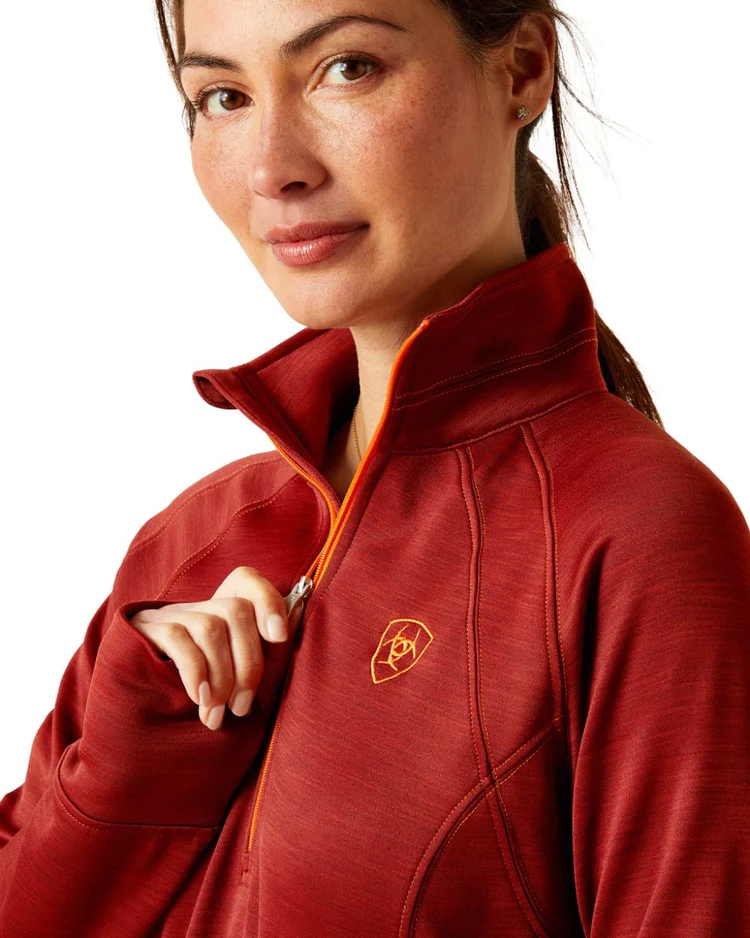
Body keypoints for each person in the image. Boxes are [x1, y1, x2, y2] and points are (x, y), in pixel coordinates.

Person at [1, 1, 748, 936]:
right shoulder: (192, 545)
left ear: (522, 68)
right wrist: (131, 762)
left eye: (346, 68)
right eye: (224, 96)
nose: (273, 167)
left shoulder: (638, 539)